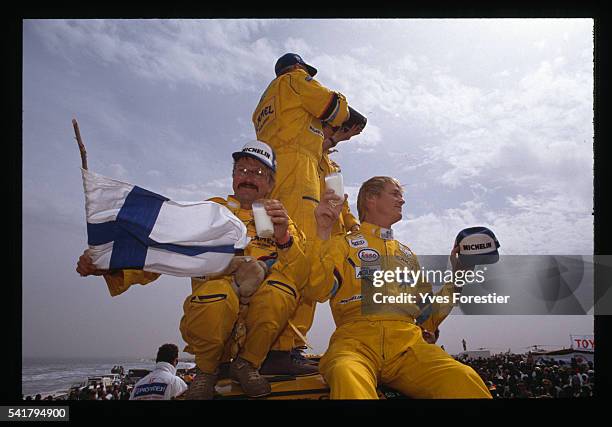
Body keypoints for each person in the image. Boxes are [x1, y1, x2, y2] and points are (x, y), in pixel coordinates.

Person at [77, 141, 314, 399]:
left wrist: (283, 238)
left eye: (258, 173)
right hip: (212, 319)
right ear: (233, 177)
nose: (249, 178)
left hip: (262, 335)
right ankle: (206, 372)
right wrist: (109, 265)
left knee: (281, 289)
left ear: (271, 184)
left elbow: (303, 277)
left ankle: (247, 364)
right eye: (243, 170)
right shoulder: (210, 212)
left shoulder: (283, 221)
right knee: (217, 292)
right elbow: (165, 251)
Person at [305, 176, 492, 398]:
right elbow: (316, 290)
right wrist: (323, 232)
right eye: (395, 194)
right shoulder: (341, 244)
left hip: (409, 346)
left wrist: (459, 276)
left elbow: (428, 316)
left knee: (464, 377)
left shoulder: (407, 255)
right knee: (347, 374)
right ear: (371, 199)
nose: (402, 201)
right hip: (354, 344)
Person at [252, 53, 364, 348]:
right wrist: (340, 115)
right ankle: (287, 345)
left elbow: (337, 194)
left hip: (272, 182)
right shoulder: (293, 81)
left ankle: (263, 343)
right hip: (296, 182)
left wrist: (350, 223)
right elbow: (335, 107)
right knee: (304, 261)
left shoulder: (262, 107)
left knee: (275, 259)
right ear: (298, 68)